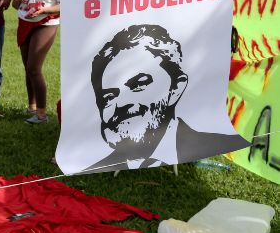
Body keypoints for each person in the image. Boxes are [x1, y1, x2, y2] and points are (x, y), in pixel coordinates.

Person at [83, 24, 249, 173]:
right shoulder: (91, 163)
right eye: (108, 97)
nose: (121, 103)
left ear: (176, 88)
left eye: (138, 85)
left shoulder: (219, 143)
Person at [12, 0, 61, 124]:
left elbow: (65, 4)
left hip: (46, 23)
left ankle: (42, 114)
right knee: (28, 67)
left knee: (34, 67)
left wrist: (45, 10)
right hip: (24, 21)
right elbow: (16, 5)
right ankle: (31, 107)